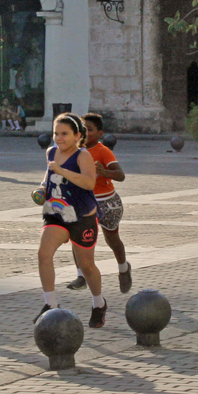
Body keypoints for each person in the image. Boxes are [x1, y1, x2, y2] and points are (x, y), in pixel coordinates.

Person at [34, 113, 107, 327]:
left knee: (87, 266)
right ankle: (50, 304)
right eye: (56, 133)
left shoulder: (82, 156)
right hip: (57, 213)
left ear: (77, 135)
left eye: (64, 134)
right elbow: (48, 178)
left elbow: (89, 184)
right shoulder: (51, 152)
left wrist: (63, 171)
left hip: (82, 217)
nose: (58, 138)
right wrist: (40, 189)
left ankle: (98, 303)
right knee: (43, 254)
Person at [66, 113, 133, 295]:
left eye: (90, 129)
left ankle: (123, 268)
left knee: (112, 239)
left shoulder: (103, 151)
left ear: (100, 133)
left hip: (106, 203)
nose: (85, 133)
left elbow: (121, 175)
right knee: (77, 238)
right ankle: (81, 276)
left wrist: (104, 172)